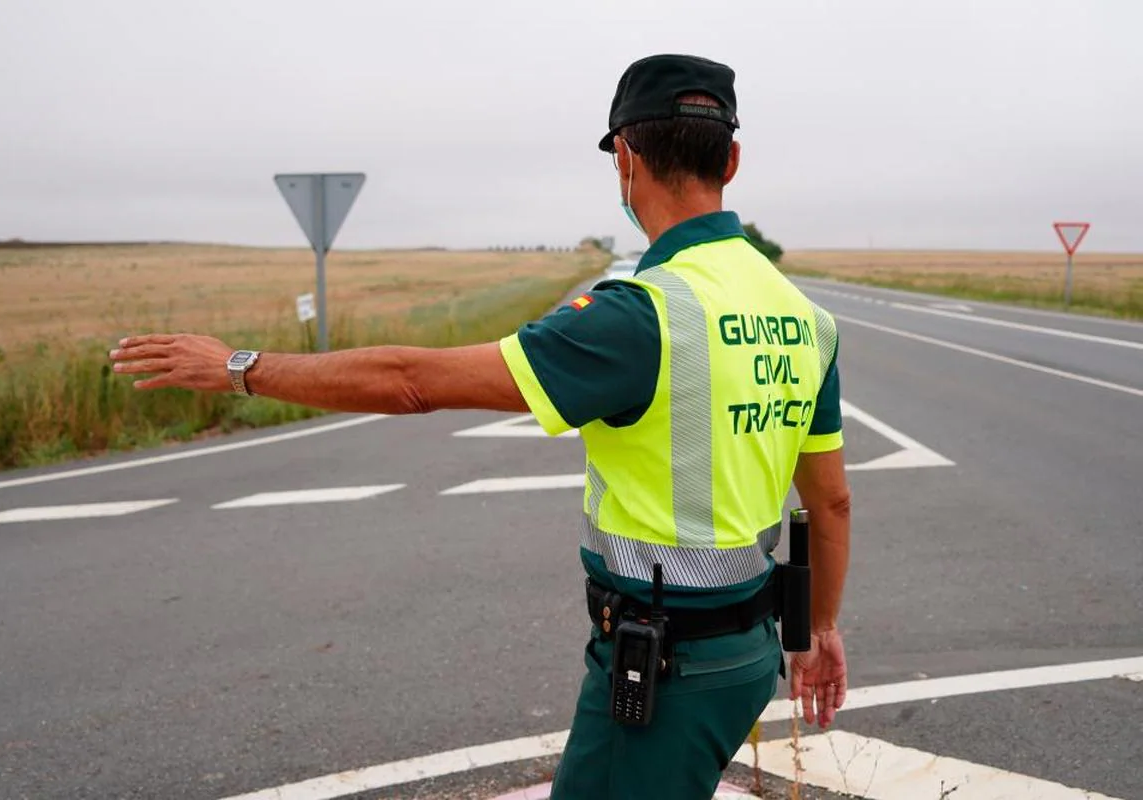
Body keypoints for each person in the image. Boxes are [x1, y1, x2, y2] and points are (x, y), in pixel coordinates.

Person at [109, 52, 851, 800]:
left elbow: (412, 382)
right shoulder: (805, 318)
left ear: (624, 160)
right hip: (750, 653)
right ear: (732, 158)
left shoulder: (640, 316)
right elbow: (832, 503)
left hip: (668, 667)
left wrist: (242, 367)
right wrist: (818, 631)